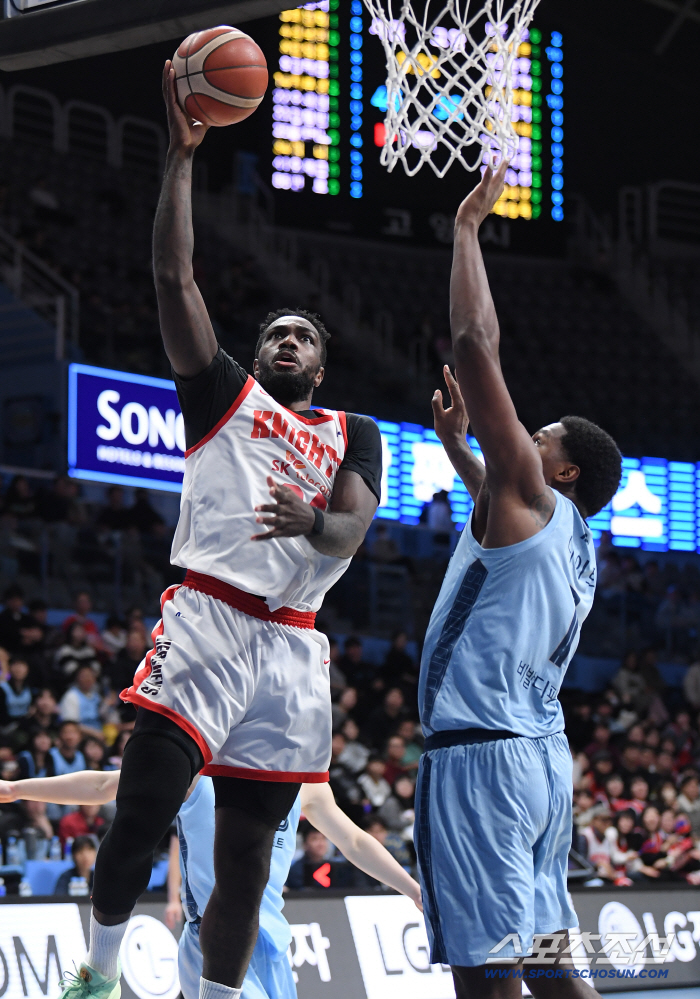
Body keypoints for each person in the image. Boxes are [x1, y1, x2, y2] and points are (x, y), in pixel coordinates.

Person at [61, 59, 383, 999]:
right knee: (143, 809)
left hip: (292, 651)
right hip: (207, 618)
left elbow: (352, 527)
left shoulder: (352, 431)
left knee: (247, 865)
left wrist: (316, 520)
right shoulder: (222, 394)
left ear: (320, 366)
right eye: (276, 331)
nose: (286, 341)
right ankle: (99, 971)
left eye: (303, 338)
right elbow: (173, 274)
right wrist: (180, 157)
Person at [415, 162, 623, 999]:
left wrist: (467, 227)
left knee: (488, 977)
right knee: (551, 962)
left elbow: (473, 344)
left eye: (539, 436)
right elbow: (493, 505)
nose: (526, 438)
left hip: (480, 761)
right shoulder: (574, 540)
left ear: (564, 470)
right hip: (539, 760)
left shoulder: (534, 496)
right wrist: (462, 449)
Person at [0, 766, 421, 999]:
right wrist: (17, 789)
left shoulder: (302, 778)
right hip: (210, 942)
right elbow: (105, 784)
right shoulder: (198, 772)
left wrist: (415, 891)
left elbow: (353, 840)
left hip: (271, 944)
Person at [58, 665, 106, 740]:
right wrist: (95, 733)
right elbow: (71, 725)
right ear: (77, 679)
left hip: (98, 733)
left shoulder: (96, 696)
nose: (88, 679)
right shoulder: (71, 696)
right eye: (84, 676)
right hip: (81, 737)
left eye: (90, 676)